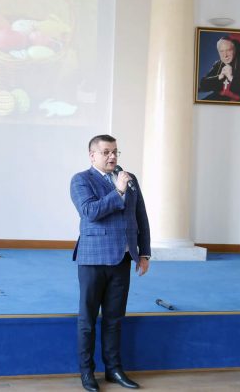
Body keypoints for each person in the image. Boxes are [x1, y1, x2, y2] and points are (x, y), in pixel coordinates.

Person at [70, 134, 151, 392]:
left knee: (114, 319)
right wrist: (118, 191)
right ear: (92, 155)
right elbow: (90, 212)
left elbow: (141, 216)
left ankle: (114, 370)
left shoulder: (129, 178)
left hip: (122, 258)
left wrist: (144, 253)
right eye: (106, 152)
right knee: (87, 320)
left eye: (115, 151)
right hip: (93, 259)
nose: (112, 156)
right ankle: (87, 372)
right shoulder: (81, 180)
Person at [198, 37, 240, 102]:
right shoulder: (218, 64)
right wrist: (219, 76)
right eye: (221, 51)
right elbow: (203, 85)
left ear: (234, 50)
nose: (225, 55)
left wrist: (230, 77)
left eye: (228, 50)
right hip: (219, 98)